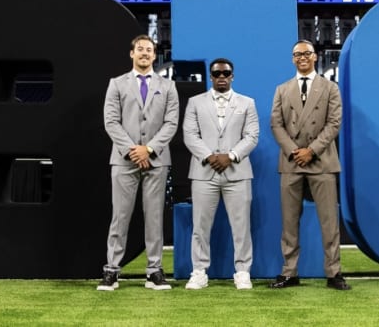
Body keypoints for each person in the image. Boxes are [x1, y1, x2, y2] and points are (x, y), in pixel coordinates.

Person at [98, 34, 179, 291]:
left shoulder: (168, 86)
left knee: (154, 217)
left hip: (156, 160)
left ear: (155, 56)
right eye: (140, 49)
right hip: (124, 161)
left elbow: (171, 123)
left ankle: (154, 271)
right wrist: (133, 150)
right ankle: (111, 270)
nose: (145, 53)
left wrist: (150, 149)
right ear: (131, 54)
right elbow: (111, 121)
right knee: (120, 217)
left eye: (149, 50)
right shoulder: (117, 84)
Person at [268, 40, 351, 291]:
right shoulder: (282, 89)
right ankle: (289, 272)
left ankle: (333, 272)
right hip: (291, 162)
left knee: (329, 221)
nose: (302, 58)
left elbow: (334, 123)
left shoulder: (330, 88)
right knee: (289, 222)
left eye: (306, 53)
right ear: (293, 59)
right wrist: (295, 151)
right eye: (297, 54)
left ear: (315, 57)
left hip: (322, 161)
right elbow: (276, 124)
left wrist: (311, 151)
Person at [182, 58, 259, 290]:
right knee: (200, 225)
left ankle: (243, 271)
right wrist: (209, 156)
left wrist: (231, 156)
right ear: (211, 76)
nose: (222, 77)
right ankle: (199, 271)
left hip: (238, 172)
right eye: (217, 74)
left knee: (241, 225)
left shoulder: (247, 103)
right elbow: (190, 134)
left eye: (226, 73)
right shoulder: (195, 102)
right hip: (204, 172)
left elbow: (252, 136)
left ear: (233, 75)